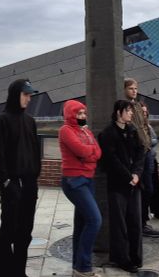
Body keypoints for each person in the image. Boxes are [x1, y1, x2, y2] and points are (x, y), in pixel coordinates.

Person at [0, 79, 41, 277]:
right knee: (9, 229)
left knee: (25, 231)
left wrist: (35, 174)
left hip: (29, 183)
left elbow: (35, 150)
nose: (28, 99)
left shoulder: (30, 121)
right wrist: (6, 181)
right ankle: (4, 272)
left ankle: (19, 271)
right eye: (25, 95)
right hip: (12, 183)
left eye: (30, 95)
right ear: (15, 94)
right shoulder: (2, 120)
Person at [98, 100, 144, 273]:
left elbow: (141, 153)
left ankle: (135, 257)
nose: (131, 113)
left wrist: (137, 174)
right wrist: (128, 176)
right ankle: (122, 258)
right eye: (128, 110)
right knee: (119, 224)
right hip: (118, 185)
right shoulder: (107, 133)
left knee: (135, 222)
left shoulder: (132, 130)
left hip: (134, 183)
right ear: (119, 112)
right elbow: (110, 160)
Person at [58, 100, 103, 277]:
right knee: (95, 220)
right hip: (74, 181)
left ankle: (78, 265)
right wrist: (89, 152)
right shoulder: (65, 130)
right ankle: (84, 266)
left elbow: (98, 153)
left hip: (88, 179)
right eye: (79, 113)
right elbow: (81, 151)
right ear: (71, 114)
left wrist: (89, 152)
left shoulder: (86, 130)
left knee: (83, 223)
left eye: (84, 113)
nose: (83, 116)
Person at [123, 79, 159, 238]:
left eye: (136, 88)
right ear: (124, 89)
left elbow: (144, 127)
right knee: (138, 189)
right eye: (131, 88)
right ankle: (139, 223)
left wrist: (147, 146)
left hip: (145, 152)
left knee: (148, 188)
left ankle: (143, 221)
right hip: (136, 153)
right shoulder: (124, 107)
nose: (134, 91)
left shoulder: (138, 106)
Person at [141, 102, 159, 222]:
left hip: (152, 159)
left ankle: (156, 210)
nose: (144, 114)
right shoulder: (138, 127)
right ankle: (144, 214)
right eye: (142, 112)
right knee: (147, 188)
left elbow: (154, 139)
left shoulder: (149, 126)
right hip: (143, 161)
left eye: (146, 112)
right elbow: (150, 141)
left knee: (155, 187)